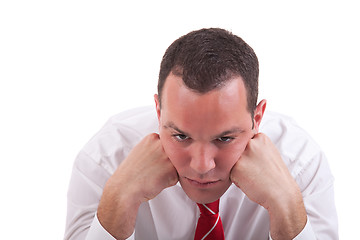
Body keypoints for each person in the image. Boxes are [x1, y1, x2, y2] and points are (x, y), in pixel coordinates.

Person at [64, 28, 338, 240]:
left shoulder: (300, 162)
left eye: (225, 138)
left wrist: (287, 204)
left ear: (257, 118)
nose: (202, 165)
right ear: (159, 112)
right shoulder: (105, 158)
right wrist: (119, 199)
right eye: (181, 136)